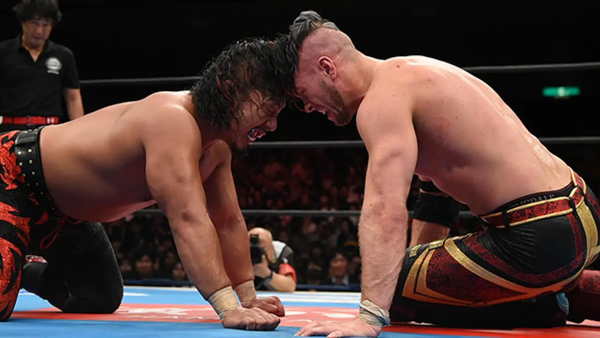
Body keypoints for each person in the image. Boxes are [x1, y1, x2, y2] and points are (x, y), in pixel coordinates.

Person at [282, 11, 600, 338]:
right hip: (583, 209)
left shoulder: (379, 103)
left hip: (538, 235)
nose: (308, 108)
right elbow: (436, 197)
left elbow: (384, 209)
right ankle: (574, 289)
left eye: (305, 95)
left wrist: (371, 316)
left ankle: (547, 303)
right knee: (401, 280)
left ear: (326, 68)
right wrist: (418, 264)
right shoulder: (412, 70)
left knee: (390, 288)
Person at [0, 37, 288, 332]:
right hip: (12, 175)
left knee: (100, 296)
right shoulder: (172, 120)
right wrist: (229, 308)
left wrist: (248, 298)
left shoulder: (217, 148)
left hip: (61, 212)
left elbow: (227, 221)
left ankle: (23, 270)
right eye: (268, 110)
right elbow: (187, 219)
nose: (272, 125)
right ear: (230, 91)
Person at [0, 0, 84, 133]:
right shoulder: (3, 51)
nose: (39, 31)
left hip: (49, 132)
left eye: (46, 25)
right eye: (34, 23)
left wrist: (79, 132)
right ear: (23, 22)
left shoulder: (64, 55)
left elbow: (73, 98)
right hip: (9, 130)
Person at [248, 227, 297, 292]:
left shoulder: (281, 252)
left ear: (271, 246)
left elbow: (290, 286)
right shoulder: (237, 252)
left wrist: (267, 274)